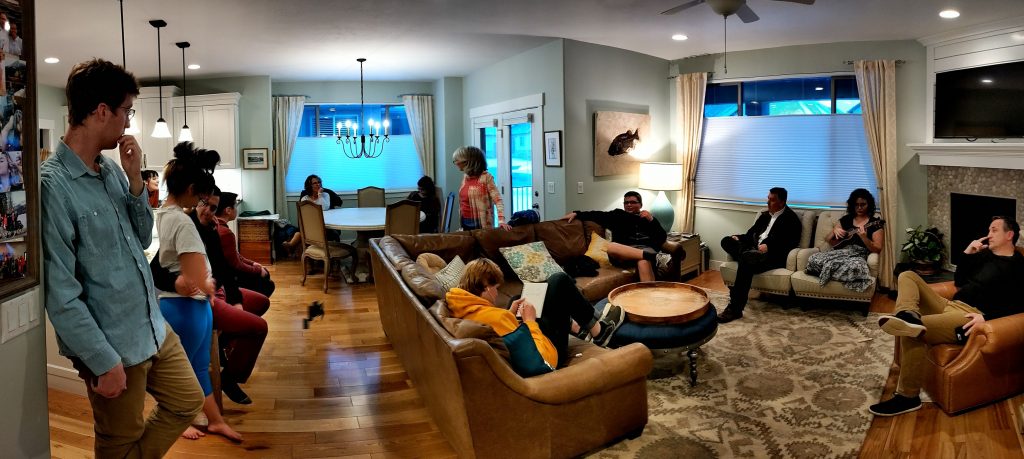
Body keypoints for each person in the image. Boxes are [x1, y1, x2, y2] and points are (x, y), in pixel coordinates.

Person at [41, 59, 203, 457]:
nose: (128, 121)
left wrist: (134, 182)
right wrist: (102, 360)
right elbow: (60, 293)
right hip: (112, 344)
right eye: (126, 111)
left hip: (152, 325)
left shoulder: (112, 171)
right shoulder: (53, 186)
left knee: (188, 400)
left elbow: (142, 233)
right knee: (118, 441)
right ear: (102, 111)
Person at [869, 216, 1024, 416]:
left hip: (969, 315)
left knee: (912, 329)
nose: (988, 235)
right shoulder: (985, 255)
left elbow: (1020, 304)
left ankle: (908, 397)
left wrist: (986, 318)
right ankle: (907, 313)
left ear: (1009, 235)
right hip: (950, 304)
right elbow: (959, 281)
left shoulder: (1018, 266)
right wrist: (968, 252)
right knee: (907, 275)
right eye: (989, 230)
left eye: (994, 230)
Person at [154, 141, 242, 442]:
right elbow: (192, 269)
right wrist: (207, 284)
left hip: (190, 305)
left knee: (197, 367)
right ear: (191, 189)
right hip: (184, 307)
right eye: (201, 196)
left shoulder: (166, 214)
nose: (201, 202)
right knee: (182, 372)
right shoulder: (181, 221)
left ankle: (215, 420)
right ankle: (179, 420)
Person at [151, 186, 269, 408]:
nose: (208, 211)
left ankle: (224, 347)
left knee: (261, 302)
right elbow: (155, 269)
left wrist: (236, 300)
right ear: (196, 201)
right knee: (259, 328)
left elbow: (224, 269)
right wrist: (178, 283)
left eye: (214, 208)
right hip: (203, 299)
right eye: (205, 204)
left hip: (219, 291)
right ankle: (229, 378)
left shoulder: (211, 229)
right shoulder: (183, 226)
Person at [445, 259, 626, 376]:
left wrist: (510, 315)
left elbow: (501, 329)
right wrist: (530, 321)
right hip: (550, 354)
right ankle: (599, 332)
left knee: (518, 299)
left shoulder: (459, 304)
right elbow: (540, 359)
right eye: (496, 288)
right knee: (560, 281)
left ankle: (578, 328)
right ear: (486, 288)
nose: (497, 293)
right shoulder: (496, 318)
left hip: (524, 343)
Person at [718, 187, 802, 323]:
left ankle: (735, 309)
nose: (768, 202)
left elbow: (791, 244)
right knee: (726, 241)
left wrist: (769, 247)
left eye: (772, 200)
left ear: (782, 202)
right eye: (768, 198)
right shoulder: (764, 216)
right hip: (752, 251)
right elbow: (749, 235)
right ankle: (746, 253)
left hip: (771, 257)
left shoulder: (791, 219)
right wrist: (738, 237)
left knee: (746, 261)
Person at [561, 191, 666, 282]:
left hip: (644, 250)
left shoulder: (647, 218)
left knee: (643, 261)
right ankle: (654, 256)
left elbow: (662, 237)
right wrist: (577, 214)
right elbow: (597, 215)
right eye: (626, 202)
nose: (629, 205)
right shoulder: (617, 215)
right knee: (611, 247)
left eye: (633, 202)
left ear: (640, 204)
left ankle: (650, 296)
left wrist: (651, 220)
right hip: (623, 253)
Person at [804, 188, 885, 291]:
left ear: (869, 204)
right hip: (839, 253)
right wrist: (835, 230)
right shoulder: (846, 219)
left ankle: (826, 272)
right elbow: (829, 240)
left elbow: (877, 248)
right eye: (856, 205)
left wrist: (864, 238)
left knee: (856, 267)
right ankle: (835, 273)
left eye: (863, 204)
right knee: (813, 258)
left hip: (858, 255)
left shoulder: (874, 223)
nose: (859, 208)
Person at [215, 191, 277, 298]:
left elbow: (235, 255)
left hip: (226, 273)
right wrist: (258, 270)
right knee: (267, 283)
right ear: (228, 210)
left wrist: (253, 264)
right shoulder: (225, 233)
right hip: (228, 277)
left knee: (264, 273)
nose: (236, 209)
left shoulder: (218, 227)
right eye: (235, 206)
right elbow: (236, 264)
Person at [452, 146, 510, 231]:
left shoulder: (486, 177)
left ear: (468, 161)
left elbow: (498, 200)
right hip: (465, 222)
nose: (455, 163)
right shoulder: (466, 177)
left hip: (481, 224)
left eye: (457, 160)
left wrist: (501, 221)